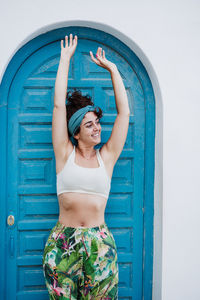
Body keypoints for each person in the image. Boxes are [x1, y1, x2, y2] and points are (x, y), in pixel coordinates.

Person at [43, 33, 130, 299]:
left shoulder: (108, 157)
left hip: (99, 245)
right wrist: (65, 59)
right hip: (62, 243)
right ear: (76, 132)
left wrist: (113, 69)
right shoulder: (64, 154)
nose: (97, 128)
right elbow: (59, 106)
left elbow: (124, 113)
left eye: (98, 122)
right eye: (88, 124)